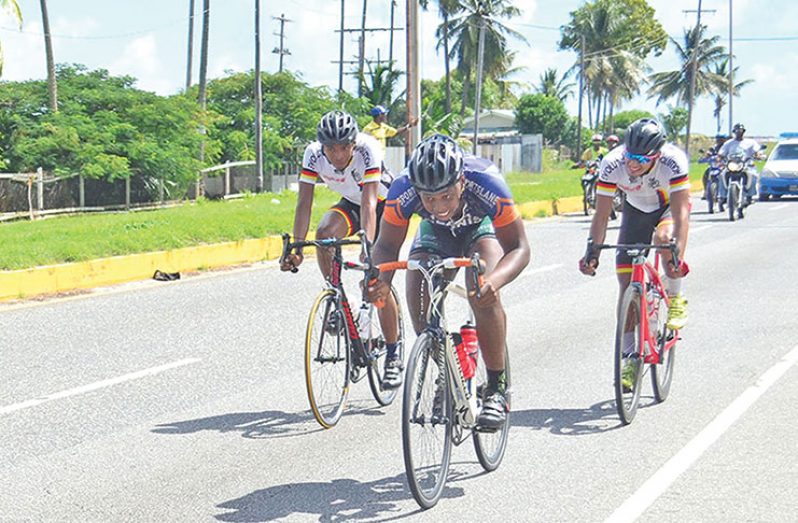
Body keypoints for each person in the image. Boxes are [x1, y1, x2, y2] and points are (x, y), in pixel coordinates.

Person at [367, 134, 531, 429]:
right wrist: (379, 279)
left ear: (462, 182)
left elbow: (520, 248)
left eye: (446, 196)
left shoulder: (487, 182)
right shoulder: (402, 190)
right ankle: (448, 363)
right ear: (417, 190)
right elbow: (387, 246)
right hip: (434, 235)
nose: (439, 206)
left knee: (480, 293)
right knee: (419, 305)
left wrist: (493, 282)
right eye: (428, 198)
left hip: (479, 231)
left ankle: (495, 387)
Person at [281, 110, 403, 387]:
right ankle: (336, 297)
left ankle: (393, 353)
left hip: (384, 206)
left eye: (343, 147)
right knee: (324, 234)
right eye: (330, 148)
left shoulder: (368, 148)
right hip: (352, 203)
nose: (337, 154)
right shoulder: (313, 154)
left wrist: (367, 246)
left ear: (353, 143)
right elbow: (304, 203)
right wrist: (297, 249)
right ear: (321, 146)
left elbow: (370, 203)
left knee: (374, 281)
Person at [578, 118, 690, 391]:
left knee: (665, 240)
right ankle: (628, 357)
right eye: (630, 156)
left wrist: (677, 254)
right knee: (626, 285)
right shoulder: (613, 163)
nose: (634, 164)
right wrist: (592, 250)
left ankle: (674, 297)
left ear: (657, 155)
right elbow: (602, 214)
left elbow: (681, 214)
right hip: (636, 212)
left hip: (667, 209)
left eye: (642, 159)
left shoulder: (673, 162)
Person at [717, 123, 762, 204]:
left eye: (741, 131)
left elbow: (757, 151)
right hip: (732, 165)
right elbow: (721, 153)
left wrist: (757, 155)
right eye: (737, 131)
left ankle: (750, 196)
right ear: (734, 132)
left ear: (743, 131)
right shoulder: (729, 143)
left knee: (753, 175)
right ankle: (723, 196)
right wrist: (719, 158)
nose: (739, 133)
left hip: (746, 165)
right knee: (721, 175)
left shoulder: (750, 142)